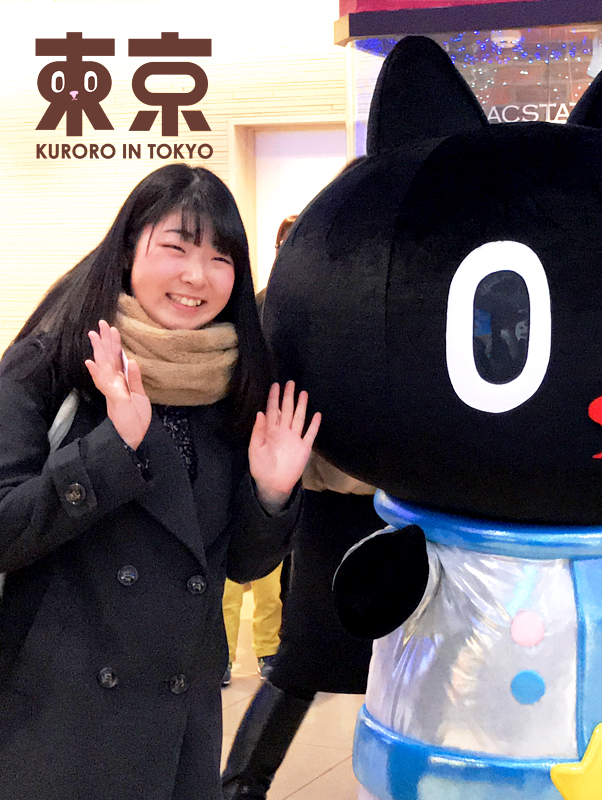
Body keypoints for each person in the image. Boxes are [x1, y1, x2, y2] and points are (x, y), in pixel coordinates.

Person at [0, 164, 320, 800]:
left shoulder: (232, 383)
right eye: (176, 247)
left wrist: (271, 493)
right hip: (57, 721)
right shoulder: (51, 366)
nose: (198, 276)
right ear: (127, 252)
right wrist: (111, 448)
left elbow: (240, 566)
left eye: (220, 258)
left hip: (180, 728)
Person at [221, 210, 376, 800]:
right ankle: (241, 785)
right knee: (302, 659)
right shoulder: (284, 308)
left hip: (387, 504)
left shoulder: (370, 300)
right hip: (330, 500)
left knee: (405, 660)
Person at [220, 215, 301, 687]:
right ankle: (223, 654)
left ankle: (269, 648)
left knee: (271, 567)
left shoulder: (307, 310)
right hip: (239, 438)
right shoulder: (252, 309)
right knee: (228, 571)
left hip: (283, 446)